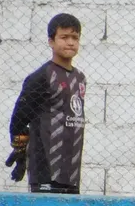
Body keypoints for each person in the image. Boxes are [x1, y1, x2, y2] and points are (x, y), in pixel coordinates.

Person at [7, 13, 87, 195]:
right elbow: (19, 118)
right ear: (51, 41)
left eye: (75, 37)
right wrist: (20, 153)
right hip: (45, 169)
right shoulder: (41, 77)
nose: (70, 42)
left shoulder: (80, 78)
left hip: (72, 171)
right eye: (64, 37)